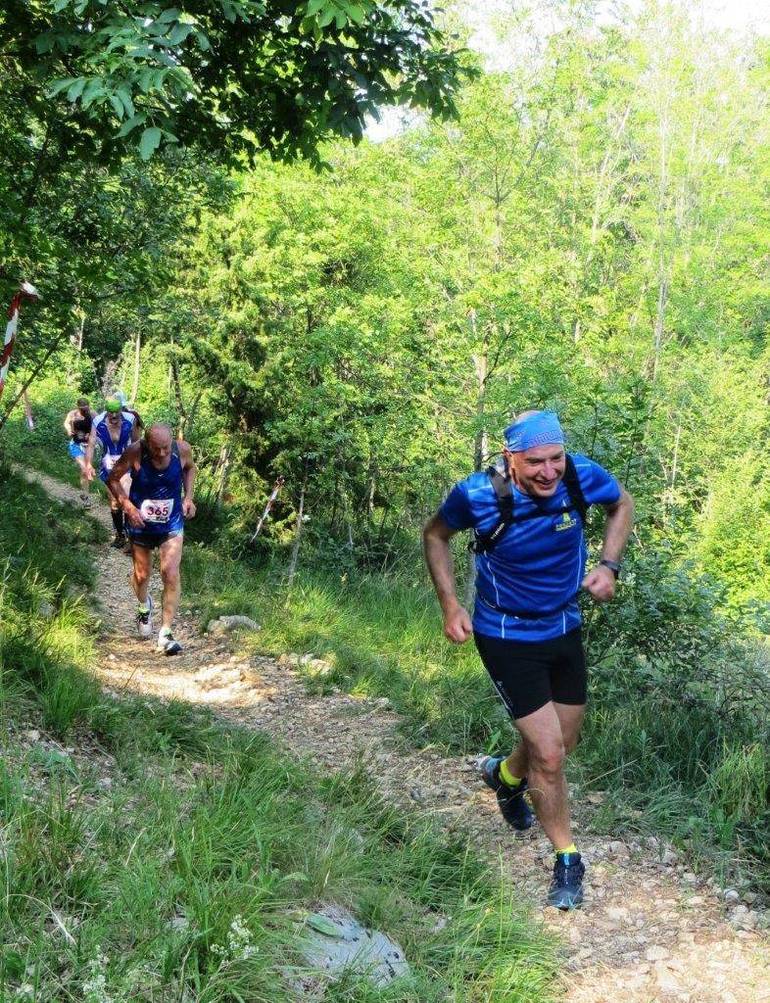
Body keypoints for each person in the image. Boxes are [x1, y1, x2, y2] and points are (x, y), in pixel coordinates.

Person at [423, 410, 634, 910]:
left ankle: (505, 777)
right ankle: (567, 858)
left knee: (562, 742)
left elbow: (621, 503)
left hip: (564, 625)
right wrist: (451, 604)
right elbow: (435, 536)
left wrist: (609, 565)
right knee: (551, 754)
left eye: (555, 458)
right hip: (505, 633)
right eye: (535, 461)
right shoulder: (477, 494)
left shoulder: (581, 476)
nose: (548, 471)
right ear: (509, 460)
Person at [107, 424, 197, 655]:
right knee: (142, 575)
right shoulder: (135, 452)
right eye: (157, 449)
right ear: (147, 444)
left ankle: (166, 632)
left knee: (170, 573)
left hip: (171, 523)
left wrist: (188, 498)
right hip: (141, 524)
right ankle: (143, 604)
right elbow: (113, 478)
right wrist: (127, 506)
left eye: (166, 448)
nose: (163, 453)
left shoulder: (182, 449)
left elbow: (190, 469)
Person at [84, 398, 141, 548]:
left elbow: (137, 443)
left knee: (127, 498)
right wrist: (88, 464)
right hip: (108, 466)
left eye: (117, 412)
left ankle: (131, 538)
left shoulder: (130, 419)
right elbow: (90, 444)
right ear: (106, 411)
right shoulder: (97, 421)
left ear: (122, 410)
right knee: (115, 502)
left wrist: (139, 466)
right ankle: (119, 535)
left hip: (126, 464)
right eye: (111, 413)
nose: (114, 416)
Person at [63, 398, 95, 506]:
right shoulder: (72, 414)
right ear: (77, 407)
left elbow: (100, 426)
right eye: (82, 409)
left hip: (88, 446)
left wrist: (91, 434)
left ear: (89, 406)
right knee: (84, 469)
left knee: (85, 471)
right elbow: (66, 423)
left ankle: (83, 492)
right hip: (76, 445)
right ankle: (86, 499)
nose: (84, 411)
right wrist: (68, 430)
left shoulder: (93, 414)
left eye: (86, 409)